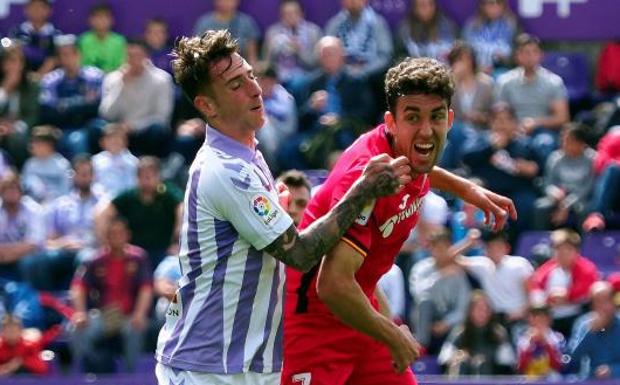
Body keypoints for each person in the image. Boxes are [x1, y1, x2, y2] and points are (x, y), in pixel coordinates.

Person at [154, 29, 412, 385]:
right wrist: (362, 190)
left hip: (248, 366)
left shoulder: (248, 153)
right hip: (207, 370)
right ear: (207, 106)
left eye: (250, 75)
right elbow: (302, 253)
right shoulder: (225, 169)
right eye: (235, 85)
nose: (254, 88)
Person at [282, 57, 517, 385]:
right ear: (391, 122)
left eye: (436, 117)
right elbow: (332, 284)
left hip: (362, 310)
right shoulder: (369, 177)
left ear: (450, 119)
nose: (425, 130)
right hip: (316, 326)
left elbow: (422, 169)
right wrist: (392, 333)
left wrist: (466, 188)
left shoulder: (408, 156)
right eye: (413, 117)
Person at [70, 217, 152, 373]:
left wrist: (140, 314)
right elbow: (78, 286)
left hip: (129, 315)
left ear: (128, 235)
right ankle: (88, 372)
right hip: (104, 315)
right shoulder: (94, 260)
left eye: (120, 233)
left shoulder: (139, 257)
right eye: (112, 234)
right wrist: (80, 312)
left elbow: (146, 288)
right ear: (106, 237)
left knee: (136, 329)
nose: (116, 237)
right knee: (76, 329)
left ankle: (131, 375)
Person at [495, 33, 570, 164]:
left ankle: (544, 182)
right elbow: (499, 114)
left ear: (541, 55)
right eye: (525, 52)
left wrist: (536, 123)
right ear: (517, 55)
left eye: (534, 52)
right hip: (513, 132)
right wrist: (511, 129)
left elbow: (562, 118)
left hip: (543, 132)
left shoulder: (553, 82)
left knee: (544, 144)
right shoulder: (505, 82)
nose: (529, 57)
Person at [99, 38, 174, 157]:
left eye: (137, 56)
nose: (133, 60)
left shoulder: (162, 79)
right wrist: (121, 86)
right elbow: (107, 114)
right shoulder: (112, 79)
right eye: (129, 56)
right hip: (118, 131)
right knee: (96, 127)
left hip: (146, 131)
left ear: (146, 56)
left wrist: (133, 126)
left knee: (158, 129)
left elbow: (162, 117)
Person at [39, 34, 105, 158]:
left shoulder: (94, 77)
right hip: (62, 127)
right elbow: (49, 111)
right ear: (58, 59)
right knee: (76, 141)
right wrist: (83, 103)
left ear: (79, 54)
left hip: (88, 124)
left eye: (71, 53)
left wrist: (65, 106)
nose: (67, 58)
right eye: (63, 55)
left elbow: (97, 106)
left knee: (102, 128)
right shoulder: (50, 80)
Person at [457, 230, 533, 337]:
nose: (494, 250)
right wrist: (468, 243)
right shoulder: (482, 265)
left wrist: (520, 313)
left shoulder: (519, 264)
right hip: (494, 321)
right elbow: (451, 258)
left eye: (498, 246)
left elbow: (532, 294)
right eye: (490, 247)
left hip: (519, 319)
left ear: (506, 248)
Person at [409, 228, 472, 354]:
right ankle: (421, 349)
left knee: (462, 319)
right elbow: (417, 293)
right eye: (437, 247)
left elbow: (463, 306)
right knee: (424, 302)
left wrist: (446, 322)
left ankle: (451, 356)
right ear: (430, 249)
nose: (441, 251)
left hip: (450, 320)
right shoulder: (421, 268)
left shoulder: (458, 272)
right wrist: (440, 275)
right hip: (426, 319)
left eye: (445, 247)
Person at [529, 228, 599, 337]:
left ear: (576, 251)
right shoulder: (546, 270)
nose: (563, 253)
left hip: (577, 316)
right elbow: (536, 290)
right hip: (551, 319)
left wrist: (567, 296)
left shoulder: (587, 268)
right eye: (558, 249)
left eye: (568, 249)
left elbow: (587, 291)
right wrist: (548, 299)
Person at [534, 123, 596, 230]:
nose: (564, 144)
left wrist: (566, 204)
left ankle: (585, 244)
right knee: (540, 207)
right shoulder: (555, 158)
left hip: (582, 199)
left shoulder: (593, 159)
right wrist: (554, 193)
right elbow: (548, 183)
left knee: (583, 211)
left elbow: (587, 188)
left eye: (569, 141)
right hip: (558, 198)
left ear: (580, 143)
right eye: (562, 140)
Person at [438, 291, 515, 376]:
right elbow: (443, 359)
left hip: (490, 377)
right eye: (479, 309)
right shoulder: (460, 331)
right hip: (464, 375)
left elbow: (507, 364)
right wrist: (459, 356)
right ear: (470, 310)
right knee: (462, 364)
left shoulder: (498, 333)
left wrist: (487, 360)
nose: (483, 313)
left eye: (486, 309)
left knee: (482, 365)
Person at [567, 281, 620, 380]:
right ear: (592, 305)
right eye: (598, 301)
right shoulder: (583, 323)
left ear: (613, 301)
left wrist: (613, 370)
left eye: (606, 300)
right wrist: (591, 332)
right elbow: (572, 359)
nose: (603, 306)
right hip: (590, 379)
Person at [262, 0, 322, 87]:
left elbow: (315, 64)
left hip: (305, 76)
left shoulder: (313, 32)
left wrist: (299, 51)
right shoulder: (273, 32)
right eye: (286, 14)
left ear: (302, 13)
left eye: (294, 13)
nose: (290, 16)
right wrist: (272, 50)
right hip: (278, 76)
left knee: (298, 83)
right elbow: (266, 63)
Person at [0, 40, 39, 168]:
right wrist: (5, 89)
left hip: (22, 129)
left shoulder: (32, 84)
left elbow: (33, 115)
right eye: (10, 61)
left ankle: (21, 172)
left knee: (17, 137)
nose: (15, 65)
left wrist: (16, 126)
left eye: (18, 61)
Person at [193, 0, 260, 65]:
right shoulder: (203, 24)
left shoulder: (246, 23)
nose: (225, 2)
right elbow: (197, 53)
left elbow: (252, 58)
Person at [462, 0, 518, 73]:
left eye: (498, 3)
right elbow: (465, 50)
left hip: (503, 69)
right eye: (491, 3)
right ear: (482, 6)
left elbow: (516, 53)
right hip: (476, 69)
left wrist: (504, 58)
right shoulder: (472, 25)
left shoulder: (512, 25)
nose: (495, 7)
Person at [20, 125, 71, 204]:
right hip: (34, 208)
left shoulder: (62, 165)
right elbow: (25, 190)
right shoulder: (29, 164)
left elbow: (66, 192)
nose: (32, 146)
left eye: (37, 143)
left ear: (49, 145)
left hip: (57, 208)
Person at [9, 0, 60, 76]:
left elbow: (54, 58)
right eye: (33, 7)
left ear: (49, 10)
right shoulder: (16, 33)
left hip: (49, 79)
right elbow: (12, 56)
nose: (37, 10)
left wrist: (39, 75)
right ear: (26, 10)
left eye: (41, 7)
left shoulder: (55, 34)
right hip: (20, 76)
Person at [92, 123, 139, 199]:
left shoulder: (134, 163)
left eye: (118, 138)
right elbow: (92, 185)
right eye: (110, 138)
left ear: (125, 142)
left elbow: (135, 187)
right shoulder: (95, 162)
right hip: (101, 202)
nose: (114, 141)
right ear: (102, 142)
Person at [516, 305, 564, 379]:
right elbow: (520, 367)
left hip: (551, 378)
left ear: (549, 319)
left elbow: (558, 366)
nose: (538, 318)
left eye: (543, 315)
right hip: (529, 378)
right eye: (535, 315)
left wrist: (546, 343)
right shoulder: (523, 338)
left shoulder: (557, 337)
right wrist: (530, 346)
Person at [77, 3, 127, 73]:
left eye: (105, 17)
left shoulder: (119, 41)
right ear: (90, 20)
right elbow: (79, 66)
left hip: (113, 80)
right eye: (98, 16)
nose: (101, 20)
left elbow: (123, 66)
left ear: (112, 20)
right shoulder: (83, 41)